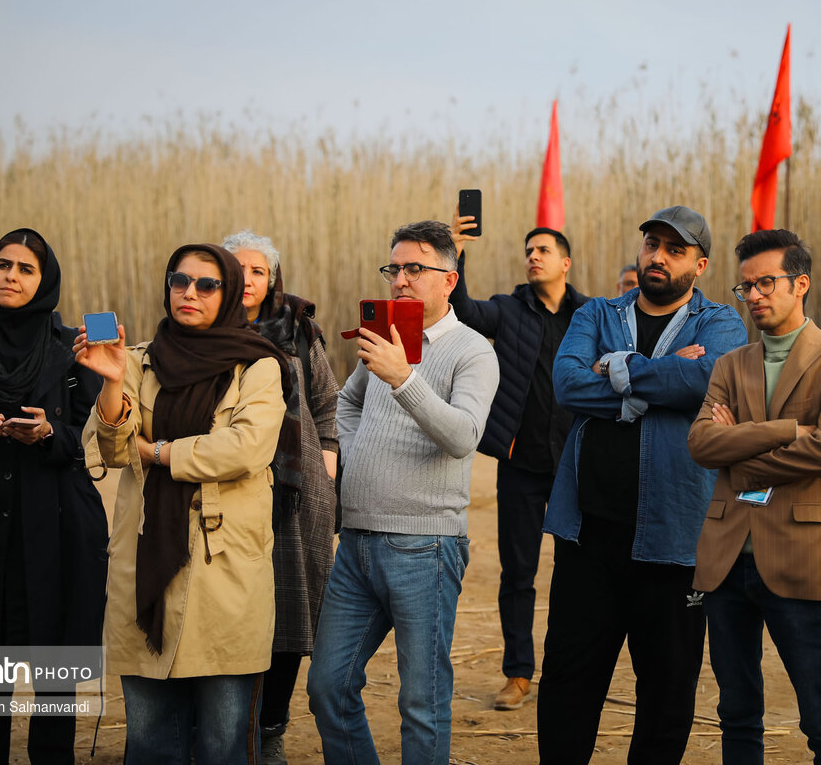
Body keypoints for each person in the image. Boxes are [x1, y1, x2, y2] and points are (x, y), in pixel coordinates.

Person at [538, 205, 747, 763]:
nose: (658, 256)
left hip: (674, 543)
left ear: (700, 265)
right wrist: (660, 376)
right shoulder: (597, 312)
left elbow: (706, 380)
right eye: (652, 244)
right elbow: (567, 384)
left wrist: (617, 367)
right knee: (568, 685)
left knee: (667, 694)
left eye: (675, 250)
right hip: (587, 536)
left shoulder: (720, 323)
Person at [76, 244, 288, 765]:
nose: (189, 292)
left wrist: (159, 452)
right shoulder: (138, 360)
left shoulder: (258, 365)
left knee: (222, 742)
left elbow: (245, 449)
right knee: (150, 742)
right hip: (145, 560)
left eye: (207, 284)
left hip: (224, 568)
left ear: (229, 293)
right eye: (179, 280)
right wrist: (111, 382)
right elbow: (110, 448)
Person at [307, 220, 499, 764]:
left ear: (450, 280)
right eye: (394, 269)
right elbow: (346, 402)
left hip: (425, 547)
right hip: (356, 544)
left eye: (415, 268)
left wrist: (403, 379)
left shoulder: (473, 352)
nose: (400, 279)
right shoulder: (386, 338)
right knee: (327, 686)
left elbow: (463, 436)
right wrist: (354, 445)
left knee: (422, 703)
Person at [687, 228, 821, 764]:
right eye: (746, 287)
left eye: (766, 283)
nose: (754, 295)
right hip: (726, 560)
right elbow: (701, 444)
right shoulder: (730, 364)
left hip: (801, 556)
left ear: (800, 284)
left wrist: (739, 453)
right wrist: (788, 430)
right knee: (736, 713)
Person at [0, 229, 107, 765]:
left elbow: (97, 440)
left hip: (55, 540)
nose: (10, 276)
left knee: (56, 688)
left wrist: (49, 434)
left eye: (25, 269)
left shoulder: (72, 348)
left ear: (46, 281)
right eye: (3, 265)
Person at [447, 213, 589, 710]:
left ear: (565, 263)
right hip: (521, 465)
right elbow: (463, 311)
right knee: (518, 574)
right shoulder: (508, 310)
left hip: (575, 465)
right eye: (528, 250)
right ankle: (518, 674)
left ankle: (570, 673)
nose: (533, 256)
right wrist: (457, 251)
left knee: (577, 574)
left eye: (543, 250)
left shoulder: (590, 315)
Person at [222, 230, 340, 765]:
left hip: (296, 496)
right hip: (225, 491)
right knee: (227, 614)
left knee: (289, 616)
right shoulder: (202, 329)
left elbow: (327, 404)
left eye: (258, 271)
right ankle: (222, 731)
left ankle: (270, 731)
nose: (247, 280)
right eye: (237, 269)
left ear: (272, 279)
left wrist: (326, 468)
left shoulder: (297, 329)